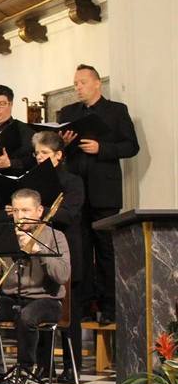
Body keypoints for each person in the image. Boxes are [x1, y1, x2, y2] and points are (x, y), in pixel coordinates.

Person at [58, 64, 139, 324]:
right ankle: (83, 306)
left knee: (106, 250)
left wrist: (101, 148)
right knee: (79, 250)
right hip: (76, 192)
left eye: (82, 82)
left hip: (105, 191)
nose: (78, 87)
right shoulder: (69, 113)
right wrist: (64, 144)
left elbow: (131, 146)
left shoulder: (116, 111)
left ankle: (110, 308)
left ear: (97, 83)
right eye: (75, 83)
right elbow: (57, 150)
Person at [0, 189, 71, 384]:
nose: (20, 216)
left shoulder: (55, 236)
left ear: (39, 211)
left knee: (27, 316)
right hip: (12, 297)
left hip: (47, 300)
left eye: (26, 210)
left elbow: (62, 276)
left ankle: (26, 368)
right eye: (16, 211)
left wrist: (39, 251)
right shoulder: (5, 235)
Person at [31, 131, 85, 383]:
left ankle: (72, 367)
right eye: (37, 153)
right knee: (42, 304)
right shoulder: (33, 183)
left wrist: (40, 211)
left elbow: (69, 215)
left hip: (66, 249)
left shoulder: (72, 181)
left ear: (58, 155)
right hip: (41, 249)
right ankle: (44, 366)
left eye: (45, 153)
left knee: (69, 312)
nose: (39, 157)